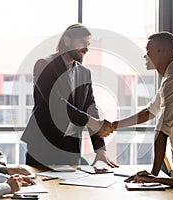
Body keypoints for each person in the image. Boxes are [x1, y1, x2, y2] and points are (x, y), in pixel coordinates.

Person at [100, 31, 173, 177]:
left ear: (162, 52)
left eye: (148, 50)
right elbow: (149, 112)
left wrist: (153, 175)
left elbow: (161, 131)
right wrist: (114, 125)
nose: (145, 55)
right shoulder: (170, 77)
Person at [21, 23, 118, 168]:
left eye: (88, 44)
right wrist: (92, 122)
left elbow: (90, 109)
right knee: (42, 188)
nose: (86, 48)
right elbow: (56, 103)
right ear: (67, 41)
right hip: (43, 145)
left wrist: (100, 150)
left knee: (71, 189)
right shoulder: (44, 65)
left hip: (71, 147)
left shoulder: (85, 73)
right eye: (82, 43)